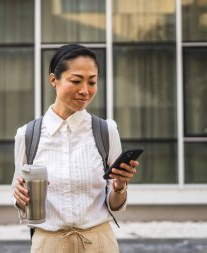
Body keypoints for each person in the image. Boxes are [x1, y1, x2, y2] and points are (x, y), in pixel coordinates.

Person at [12, 44, 140, 253]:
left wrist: (120, 185)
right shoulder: (27, 135)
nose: (85, 90)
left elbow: (114, 204)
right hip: (48, 244)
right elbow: (21, 200)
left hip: (99, 243)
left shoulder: (106, 131)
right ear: (53, 80)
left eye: (92, 82)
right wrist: (19, 197)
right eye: (76, 80)